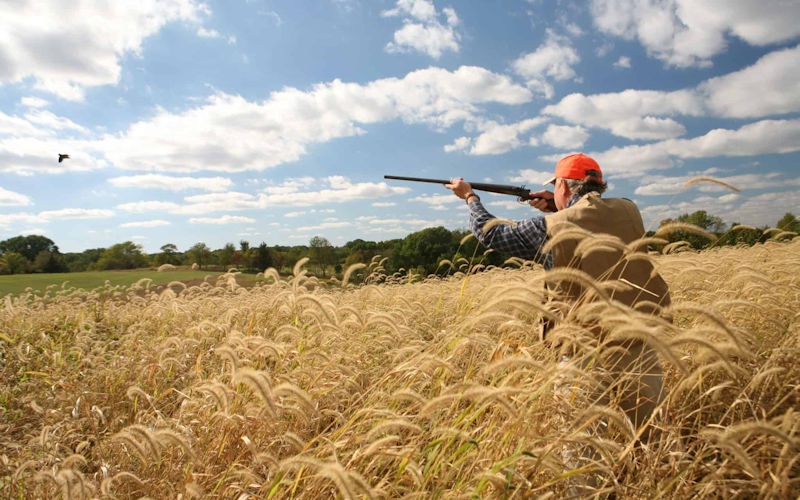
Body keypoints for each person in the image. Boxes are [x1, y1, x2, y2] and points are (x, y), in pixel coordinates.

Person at [446, 153, 671, 444]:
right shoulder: (630, 210)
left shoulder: (548, 229)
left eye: (557, 186)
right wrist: (557, 204)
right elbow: (591, 215)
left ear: (562, 185)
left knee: (580, 446)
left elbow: (492, 234)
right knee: (657, 436)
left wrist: (470, 199)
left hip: (582, 352)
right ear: (598, 184)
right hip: (637, 340)